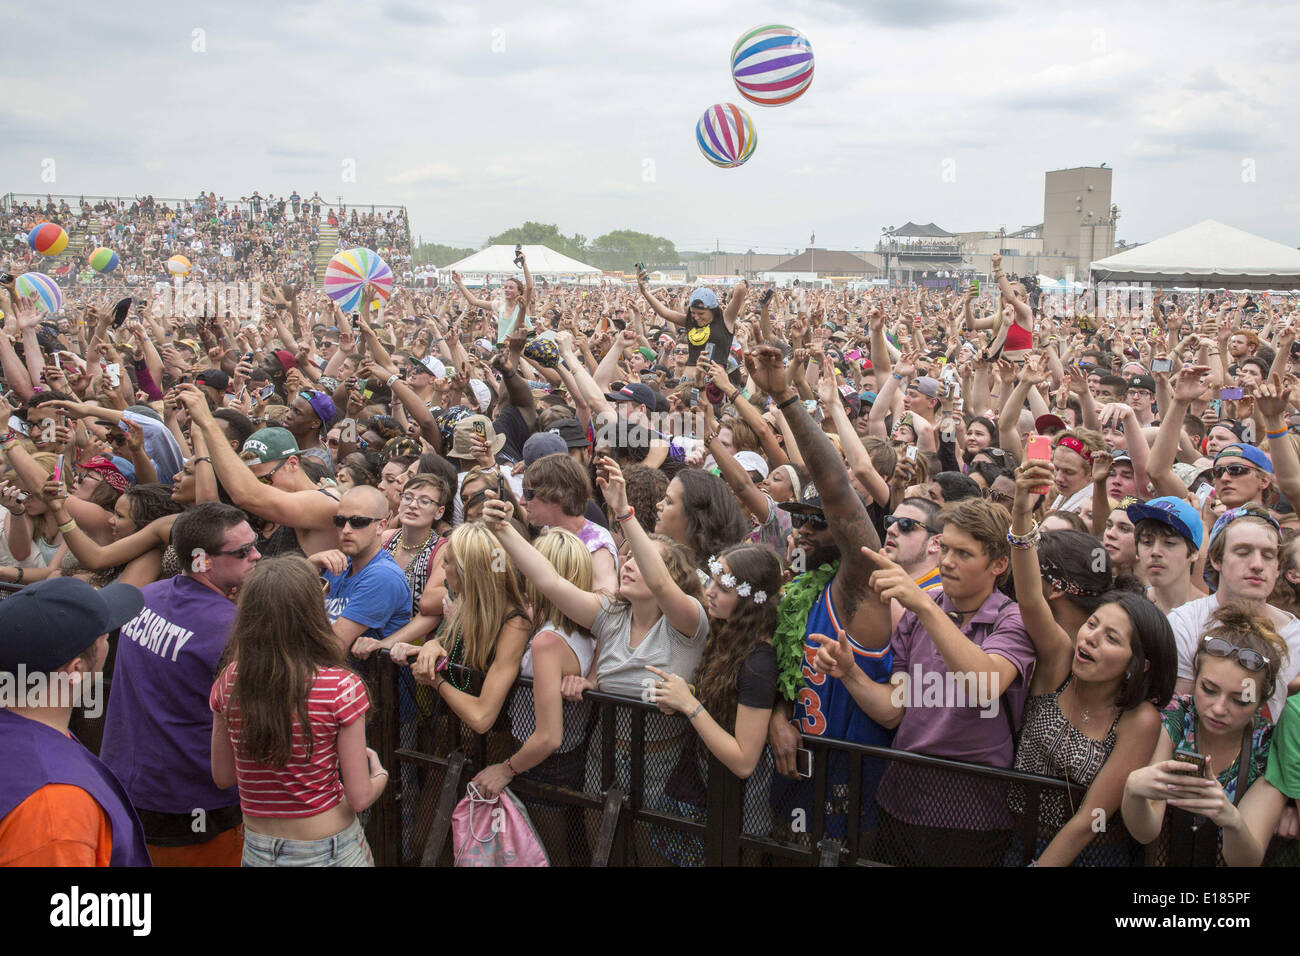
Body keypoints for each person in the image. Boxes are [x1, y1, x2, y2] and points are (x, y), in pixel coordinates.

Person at [815, 498, 1036, 866]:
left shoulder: (1009, 620)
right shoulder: (922, 612)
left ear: (998, 564)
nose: (947, 561)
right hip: (900, 802)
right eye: (945, 548)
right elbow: (893, 712)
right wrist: (849, 672)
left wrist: (926, 606)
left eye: (964, 554)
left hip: (969, 817)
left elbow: (985, 687)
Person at [1007, 461, 1179, 864]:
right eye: (1093, 625)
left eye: (1112, 638)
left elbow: (1090, 818)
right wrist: (1020, 514)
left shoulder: (1139, 720)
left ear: (1141, 664)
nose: (1090, 639)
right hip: (1016, 837)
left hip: (1092, 854)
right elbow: (1031, 598)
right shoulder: (1059, 668)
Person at [98, 503, 260, 866]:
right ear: (201, 560)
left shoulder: (146, 596)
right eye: (241, 552)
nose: (257, 555)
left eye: (254, 543)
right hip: (193, 800)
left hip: (124, 786)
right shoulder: (233, 627)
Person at [210, 556, 386, 867]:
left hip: (256, 847)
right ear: (312, 613)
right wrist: (380, 775)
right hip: (328, 848)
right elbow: (359, 798)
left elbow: (223, 776)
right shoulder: (341, 687)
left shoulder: (229, 682)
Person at [645, 543, 784, 866]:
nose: (708, 591)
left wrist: (690, 704)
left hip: (737, 811)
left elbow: (744, 760)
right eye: (710, 580)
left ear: (751, 601)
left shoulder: (759, 663)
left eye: (722, 588)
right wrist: (682, 698)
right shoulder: (728, 632)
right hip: (707, 792)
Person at [1122, 605, 1291, 866]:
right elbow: (1146, 831)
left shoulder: (1266, 745)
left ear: (1261, 703)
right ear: (1196, 678)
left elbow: (1245, 862)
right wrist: (1134, 791)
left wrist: (1230, 818)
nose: (1219, 708)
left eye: (1240, 700)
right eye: (1209, 689)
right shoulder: (1177, 714)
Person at [0, 578, 150, 867]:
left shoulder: (28, 727)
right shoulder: (55, 808)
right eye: (104, 635)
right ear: (76, 670)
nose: (110, 639)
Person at [1168, 505, 1300, 722]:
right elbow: (1177, 718)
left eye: (1268, 555)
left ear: (1278, 568)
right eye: (1243, 552)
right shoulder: (1184, 623)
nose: (1257, 565)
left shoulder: (1296, 637)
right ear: (1216, 559)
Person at [310, 486, 412, 657]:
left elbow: (332, 649)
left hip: (359, 679)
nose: (346, 529)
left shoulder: (383, 576)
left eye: (358, 521)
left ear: (381, 526)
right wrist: (309, 565)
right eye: (340, 521)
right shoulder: (337, 565)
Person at [521, 453, 618, 593]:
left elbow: (606, 605)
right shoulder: (548, 530)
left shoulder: (596, 549)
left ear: (557, 496)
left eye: (528, 494)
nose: (522, 501)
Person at [1128, 497, 1205, 614]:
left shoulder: (1212, 616)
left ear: (1194, 552)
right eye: (1147, 542)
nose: (1155, 552)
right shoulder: (1128, 609)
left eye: (1169, 543)